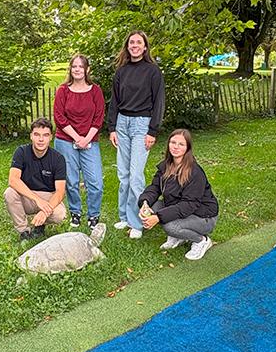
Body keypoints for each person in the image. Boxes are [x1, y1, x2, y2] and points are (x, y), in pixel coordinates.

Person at [107, 30, 166, 239]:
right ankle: (124, 216)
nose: (134, 45)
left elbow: (159, 101)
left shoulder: (152, 71)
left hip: (142, 125)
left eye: (138, 42)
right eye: (131, 42)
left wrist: (153, 130)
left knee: (135, 176)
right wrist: (112, 127)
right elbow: (114, 101)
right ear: (127, 46)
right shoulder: (121, 72)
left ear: (145, 47)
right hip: (122, 123)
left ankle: (137, 223)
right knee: (123, 175)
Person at [138, 129, 219, 260]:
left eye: (181, 144)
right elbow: (154, 187)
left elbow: (189, 204)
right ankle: (179, 237)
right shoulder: (166, 166)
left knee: (170, 226)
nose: (175, 147)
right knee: (153, 206)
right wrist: (145, 203)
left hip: (203, 215)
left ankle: (201, 241)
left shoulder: (194, 172)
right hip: (180, 207)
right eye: (173, 142)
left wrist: (158, 217)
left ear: (187, 148)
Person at [53, 54, 106, 228]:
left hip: (90, 141)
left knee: (95, 182)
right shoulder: (63, 90)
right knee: (71, 180)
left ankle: (94, 215)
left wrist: (86, 139)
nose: (77, 69)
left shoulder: (95, 90)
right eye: (74, 66)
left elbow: (98, 117)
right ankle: (75, 212)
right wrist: (76, 138)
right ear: (70, 69)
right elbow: (59, 118)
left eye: (80, 67)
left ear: (87, 69)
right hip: (66, 140)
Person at [4, 118, 68, 240]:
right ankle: (24, 231)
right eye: (37, 134)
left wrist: (45, 211)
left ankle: (40, 224)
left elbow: (60, 192)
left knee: (60, 214)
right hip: (27, 196)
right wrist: (37, 200)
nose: (40, 139)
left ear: (51, 137)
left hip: (48, 196)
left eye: (45, 135)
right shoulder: (21, 152)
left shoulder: (58, 158)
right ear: (31, 136)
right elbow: (13, 180)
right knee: (9, 193)